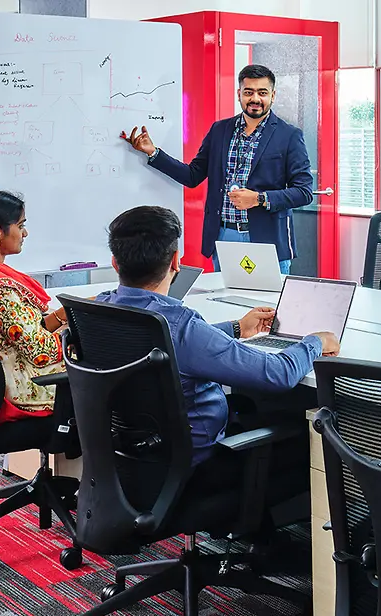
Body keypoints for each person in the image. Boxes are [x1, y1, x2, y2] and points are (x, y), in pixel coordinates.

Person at [95, 206, 339, 490]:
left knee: (249, 407)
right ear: (176, 261)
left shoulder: (101, 309)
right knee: (299, 434)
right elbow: (278, 374)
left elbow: (184, 343)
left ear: (115, 262)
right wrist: (315, 342)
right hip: (195, 465)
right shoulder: (179, 325)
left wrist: (237, 328)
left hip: (134, 455)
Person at [123, 64, 313, 275]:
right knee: (227, 303)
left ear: (273, 95)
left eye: (262, 92)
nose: (255, 99)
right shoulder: (220, 130)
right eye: (248, 92)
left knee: (268, 306)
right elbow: (193, 175)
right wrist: (153, 152)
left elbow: (304, 192)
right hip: (224, 235)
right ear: (239, 94)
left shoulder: (289, 136)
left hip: (266, 238)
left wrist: (259, 198)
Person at [0, 191, 66, 425]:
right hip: (26, 389)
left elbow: (23, 331)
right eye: (21, 225)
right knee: (107, 377)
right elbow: (41, 352)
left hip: (8, 382)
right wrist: (82, 334)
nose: (25, 233)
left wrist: (62, 316)